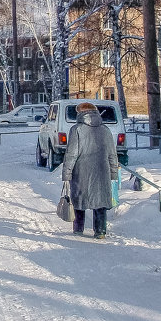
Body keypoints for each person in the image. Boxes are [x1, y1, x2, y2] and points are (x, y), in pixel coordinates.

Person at [61, 102, 119, 238]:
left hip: (81, 171)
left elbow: (71, 154)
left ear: (81, 113)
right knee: (100, 201)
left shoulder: (76, 130)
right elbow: (112, 153)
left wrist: (66, 173)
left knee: (79, 200)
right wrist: (113, 172)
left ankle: (78, 228)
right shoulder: (105, 130)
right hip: (102, 171)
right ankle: (100, 231)